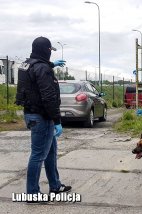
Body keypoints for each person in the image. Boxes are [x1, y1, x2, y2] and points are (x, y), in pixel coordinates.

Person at [16, 36, 71, 201]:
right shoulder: (42, 69)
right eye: (49, 50)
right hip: (42, 117)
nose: (50, 54)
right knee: (38, 155)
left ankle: (55, 186)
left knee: (51, 152)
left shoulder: (28, 65)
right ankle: (32, 194)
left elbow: (35, 75)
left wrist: (51, 65)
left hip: (32, 113)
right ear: (45, 50)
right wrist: (57, 121)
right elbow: (48, 97)